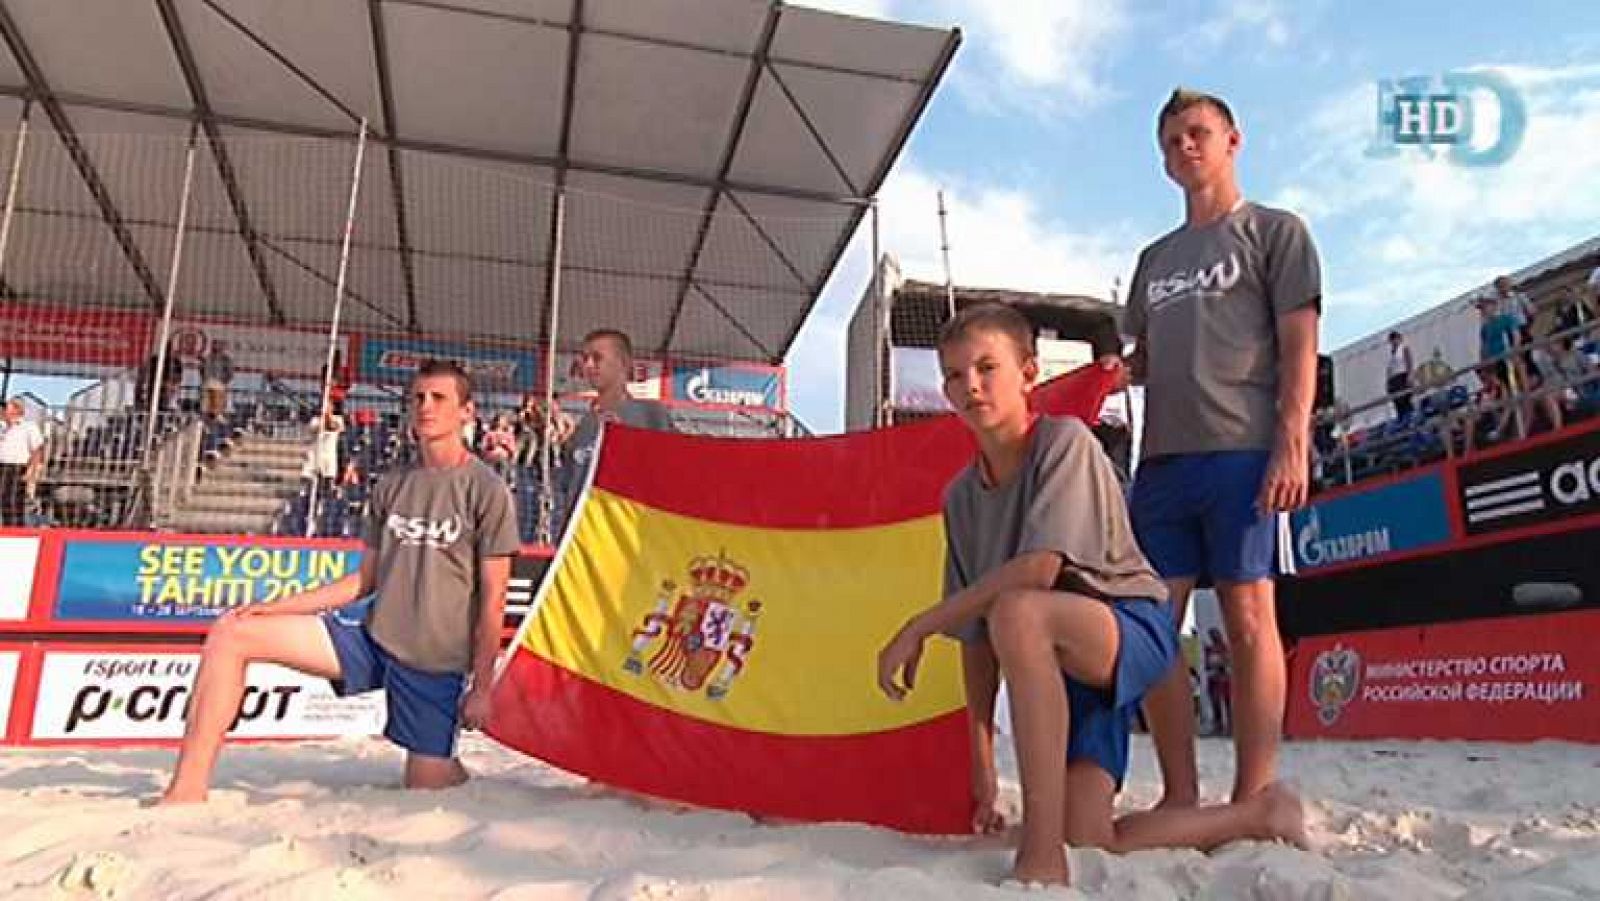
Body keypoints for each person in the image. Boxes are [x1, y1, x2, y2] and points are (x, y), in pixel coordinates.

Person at [876, 304, 1305, 886]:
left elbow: (1039, 568)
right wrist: (980, 770)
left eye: (985, 367)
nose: (969, 385)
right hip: (1060, 670)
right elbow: (975, 646)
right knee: (1093, 835)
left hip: (1131, 631)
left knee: (1018, 611)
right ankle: (1258, 814)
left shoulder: (1064, 441)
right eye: (953, 375)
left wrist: (918, 624)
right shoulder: (960, 498)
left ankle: (1041, 854)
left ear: (1028, 372)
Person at [161, 359, 521, 803]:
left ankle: (448, 762)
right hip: (372, 634)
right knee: (232, 631)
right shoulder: (392, 484)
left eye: (439, 398)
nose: (426, 407)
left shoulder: (487, 490)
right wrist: (274, 607)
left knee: (427, 783)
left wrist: (482, 689)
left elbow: (493, 600)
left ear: (467, 412)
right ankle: (186, 791)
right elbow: (362, 580)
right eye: (418, 398)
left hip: (433, 659)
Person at [1122, 89, 1321, 808]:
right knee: (1148, 624)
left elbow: (1301, 344)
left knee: (1247, 615)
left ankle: (1253, 792)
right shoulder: (1154, 260)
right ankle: (1180, 792)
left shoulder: (1276, 232)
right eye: (1171, 140)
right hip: (1163, 460)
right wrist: (1112, 370)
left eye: (1197, 133)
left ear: (1233, 139)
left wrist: (1292, 441)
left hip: (1243, 447)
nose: (1185, 147)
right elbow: (1141, 357)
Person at [559, 329, 673, 502]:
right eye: (585, 358)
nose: (588, 365)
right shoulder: (585, 425)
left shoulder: (652, 415)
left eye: (597, 358)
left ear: (623, 363)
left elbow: (672, 471)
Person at [0, 398, 45, 526]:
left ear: (17, 409)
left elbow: (37, 450)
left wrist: (32, 470)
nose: (3, 410)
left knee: (13, 501)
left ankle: (15, 528)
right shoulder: (2, 427)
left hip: (17, 468)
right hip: (2, 466)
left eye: (6, 407)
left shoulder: (28, 427)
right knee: (3, 500)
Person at [1203, 627, 1232, 736]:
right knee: (1216, 705)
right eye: (1211, 636)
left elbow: (1227, 663)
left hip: (1224, 680)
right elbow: (1207, 666)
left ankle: (1230, 727)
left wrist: (1220, 663)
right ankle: (1218, 726)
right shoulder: (1209, 650)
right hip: (1213, 680)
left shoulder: (1225, 648)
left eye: (1214, 635)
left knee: (1228, 704)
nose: (1213, 638)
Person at [200, 341, 236, 421]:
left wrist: (223, 382)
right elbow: (202, 370)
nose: (215, 347)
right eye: (214, 345)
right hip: (208, 383)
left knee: (216, 407)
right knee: (205, 407)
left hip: (218, 383)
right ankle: (206, 421)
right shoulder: (207, 357)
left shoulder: (226, 359)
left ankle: (216, 419)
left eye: (217, 345)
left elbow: (230, 373)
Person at [1385, 331, 1414, 420]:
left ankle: (1409, 418)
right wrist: (1388, 384)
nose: (1394, 342)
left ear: (1399, 339)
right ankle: (1402, 419)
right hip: (1393, 381)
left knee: (1405, 400)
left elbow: (1409, 362)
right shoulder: (1390, 353)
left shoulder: (1404, 348)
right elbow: (1389, 369)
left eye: (1395, 339)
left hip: (1402, 377)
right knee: (1397, 403)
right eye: (1392, 340)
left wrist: (1410, 376)